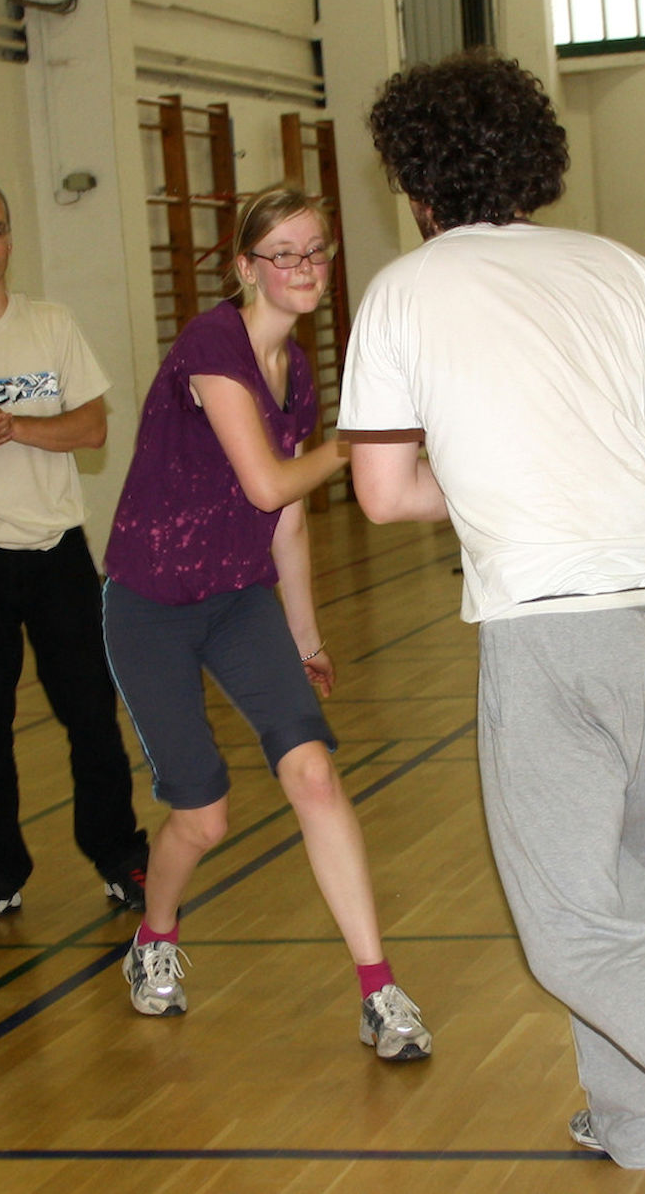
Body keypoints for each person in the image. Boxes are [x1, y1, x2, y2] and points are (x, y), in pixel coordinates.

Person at [338, 51, 645, 1166]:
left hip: (550, 625)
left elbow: (379, 490)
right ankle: (635, 1121)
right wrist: (580, 459)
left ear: (413, 183)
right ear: (530, 159)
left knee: (572, 927)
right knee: (622, 881)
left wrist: (498, 471)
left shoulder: (404, 290)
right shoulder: (615, 265)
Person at [103, 185, 431, 1060]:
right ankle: (155, 939)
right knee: (203, 816)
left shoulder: (300, 372)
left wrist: (306, 634)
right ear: (246, 267)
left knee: (315, 774)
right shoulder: (213, 342)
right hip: (152, 606)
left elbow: (283, 522)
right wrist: (356, 442)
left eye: (316, 250)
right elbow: (268, 482)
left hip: (241, 598)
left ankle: (378, 989)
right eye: (282, 253)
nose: (303, 267)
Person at [0, 180, 149, 931]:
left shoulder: (52, 324)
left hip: (56, 555)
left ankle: (121, 857)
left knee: (90, 713)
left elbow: (91, 428)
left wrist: (10, 426)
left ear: (10, 242)